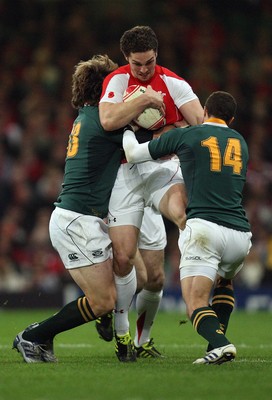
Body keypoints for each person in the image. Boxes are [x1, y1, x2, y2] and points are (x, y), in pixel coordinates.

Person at [12, 54, 153, 363]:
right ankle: (33, 337)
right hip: (76, 222)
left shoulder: (89, 117)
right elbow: (145, 142)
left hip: (90, 219)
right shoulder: (105, 122)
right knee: (103, 301)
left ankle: (102, 319)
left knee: (139, 276)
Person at [123, 90, 252, 364]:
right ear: (231, 119)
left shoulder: (188, 135)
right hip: (241, 234)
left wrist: (127, 128)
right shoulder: (241, 141)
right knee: (224, 280)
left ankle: (220, 344)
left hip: (205, 230)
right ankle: (214, 347)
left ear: (204, 110)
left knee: (195, 303)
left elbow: (133, 154)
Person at [98, 25, 204, 360]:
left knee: (156, 276)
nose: (143, 70)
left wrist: (175, 129)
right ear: (126, 59)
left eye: (149, 63)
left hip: (160, 168)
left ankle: (143, 342)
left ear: (157, 55)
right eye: (137, 64)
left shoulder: (174, 83)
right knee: (124, 257)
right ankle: (117, 328)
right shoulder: (116, 81)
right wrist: (145, 99)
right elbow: (107, 120)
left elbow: (202, 125)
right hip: (125, 172)